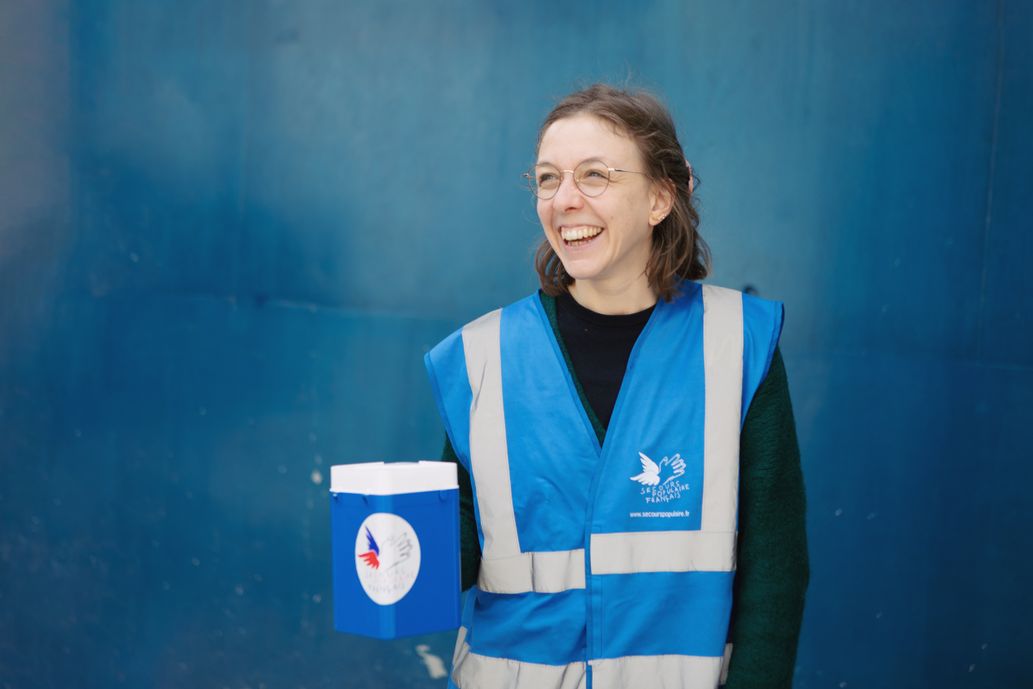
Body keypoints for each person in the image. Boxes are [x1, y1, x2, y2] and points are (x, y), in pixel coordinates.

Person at [424, 84, 808, 689]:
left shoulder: (738, 344)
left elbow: (775, 570)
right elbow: (463, 540)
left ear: (660, 197)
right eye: (548, 179)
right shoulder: (482, 356)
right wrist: (396, 550)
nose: (564, 200)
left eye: (594, 175)